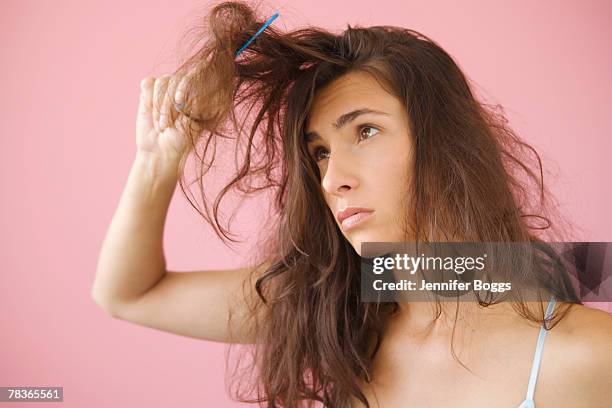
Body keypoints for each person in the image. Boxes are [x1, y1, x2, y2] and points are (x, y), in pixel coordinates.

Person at [91, 1, 612, 407]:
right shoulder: (333, 308)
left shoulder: (587, 354)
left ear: (445, 142)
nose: (332, 178)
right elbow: (128, 294)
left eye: (365, 130)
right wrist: (158, 158)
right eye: (319, 153)